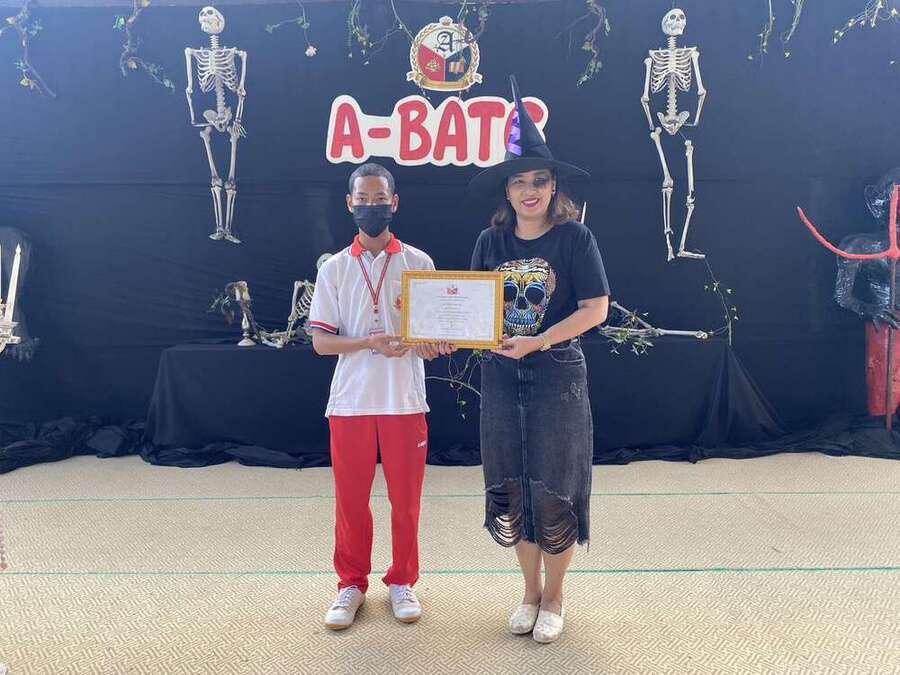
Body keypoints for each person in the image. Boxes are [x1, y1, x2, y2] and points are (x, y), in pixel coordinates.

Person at [468, 76, 610, 643]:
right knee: (512, 486)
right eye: (519, 182)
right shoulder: (490, 243)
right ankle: (528, 592)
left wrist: (539, 340)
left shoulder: (575, 239)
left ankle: (555, 596)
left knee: (555, 486)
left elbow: (595, 309)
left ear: (553, 188)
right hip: (501, 379)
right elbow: (471, 311)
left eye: (540, 181)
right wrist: (435, 328)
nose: (530, 191)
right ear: (506, 191)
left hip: (557, 378)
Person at [309, 162, 453, 630]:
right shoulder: (334, 268)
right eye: (363, 199)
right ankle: (350, 583)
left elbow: (431, 336)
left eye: (379, 199)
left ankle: (402, 580)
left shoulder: (419, 263)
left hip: (403, 400)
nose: (371, 206)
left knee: (405, 501)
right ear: (349, 204)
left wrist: (433, 345)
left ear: (394, 203)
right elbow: (321, 342)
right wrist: (368, 343)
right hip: (350, 402)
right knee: (351, 501)